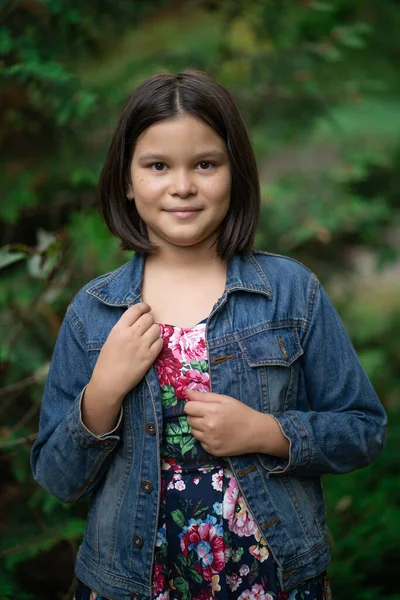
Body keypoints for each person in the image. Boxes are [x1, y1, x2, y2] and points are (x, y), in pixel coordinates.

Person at [31, 70, 387, 600]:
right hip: (130, 583)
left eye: (205, 163)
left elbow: (363, 429)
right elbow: (57, 478)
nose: (182, 186)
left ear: (235, 173)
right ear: (126, 181)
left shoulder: (289, 292)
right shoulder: (94, 312)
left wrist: (268, 432)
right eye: (157, 166)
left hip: (271, 578)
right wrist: (103, 392)